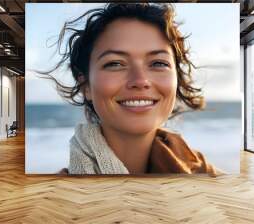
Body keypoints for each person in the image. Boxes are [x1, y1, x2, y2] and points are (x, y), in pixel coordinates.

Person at [42, 3, 221, 176]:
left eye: (158, 63)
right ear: (85, 85)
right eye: (114, 64)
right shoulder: (53, 199)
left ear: (177, 79)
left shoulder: (205, 175)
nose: (140, 80)